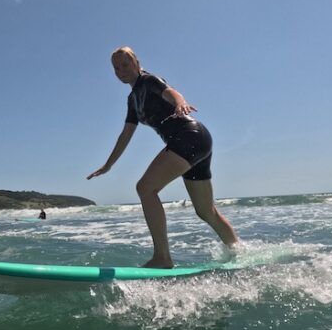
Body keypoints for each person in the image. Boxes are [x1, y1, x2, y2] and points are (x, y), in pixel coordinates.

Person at [87, 46, 239, 268]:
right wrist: (108, 165)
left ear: (137, 63)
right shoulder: (133, 100)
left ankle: (162, 258)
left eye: (125, 64)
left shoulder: (148, 80)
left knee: (145, 188)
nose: (121, 71)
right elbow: (125, 134)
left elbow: (170, 92)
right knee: (206, 211)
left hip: (190, 136)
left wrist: (180, 103)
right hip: (195, 142)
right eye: (116, 68)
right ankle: (238, 252)